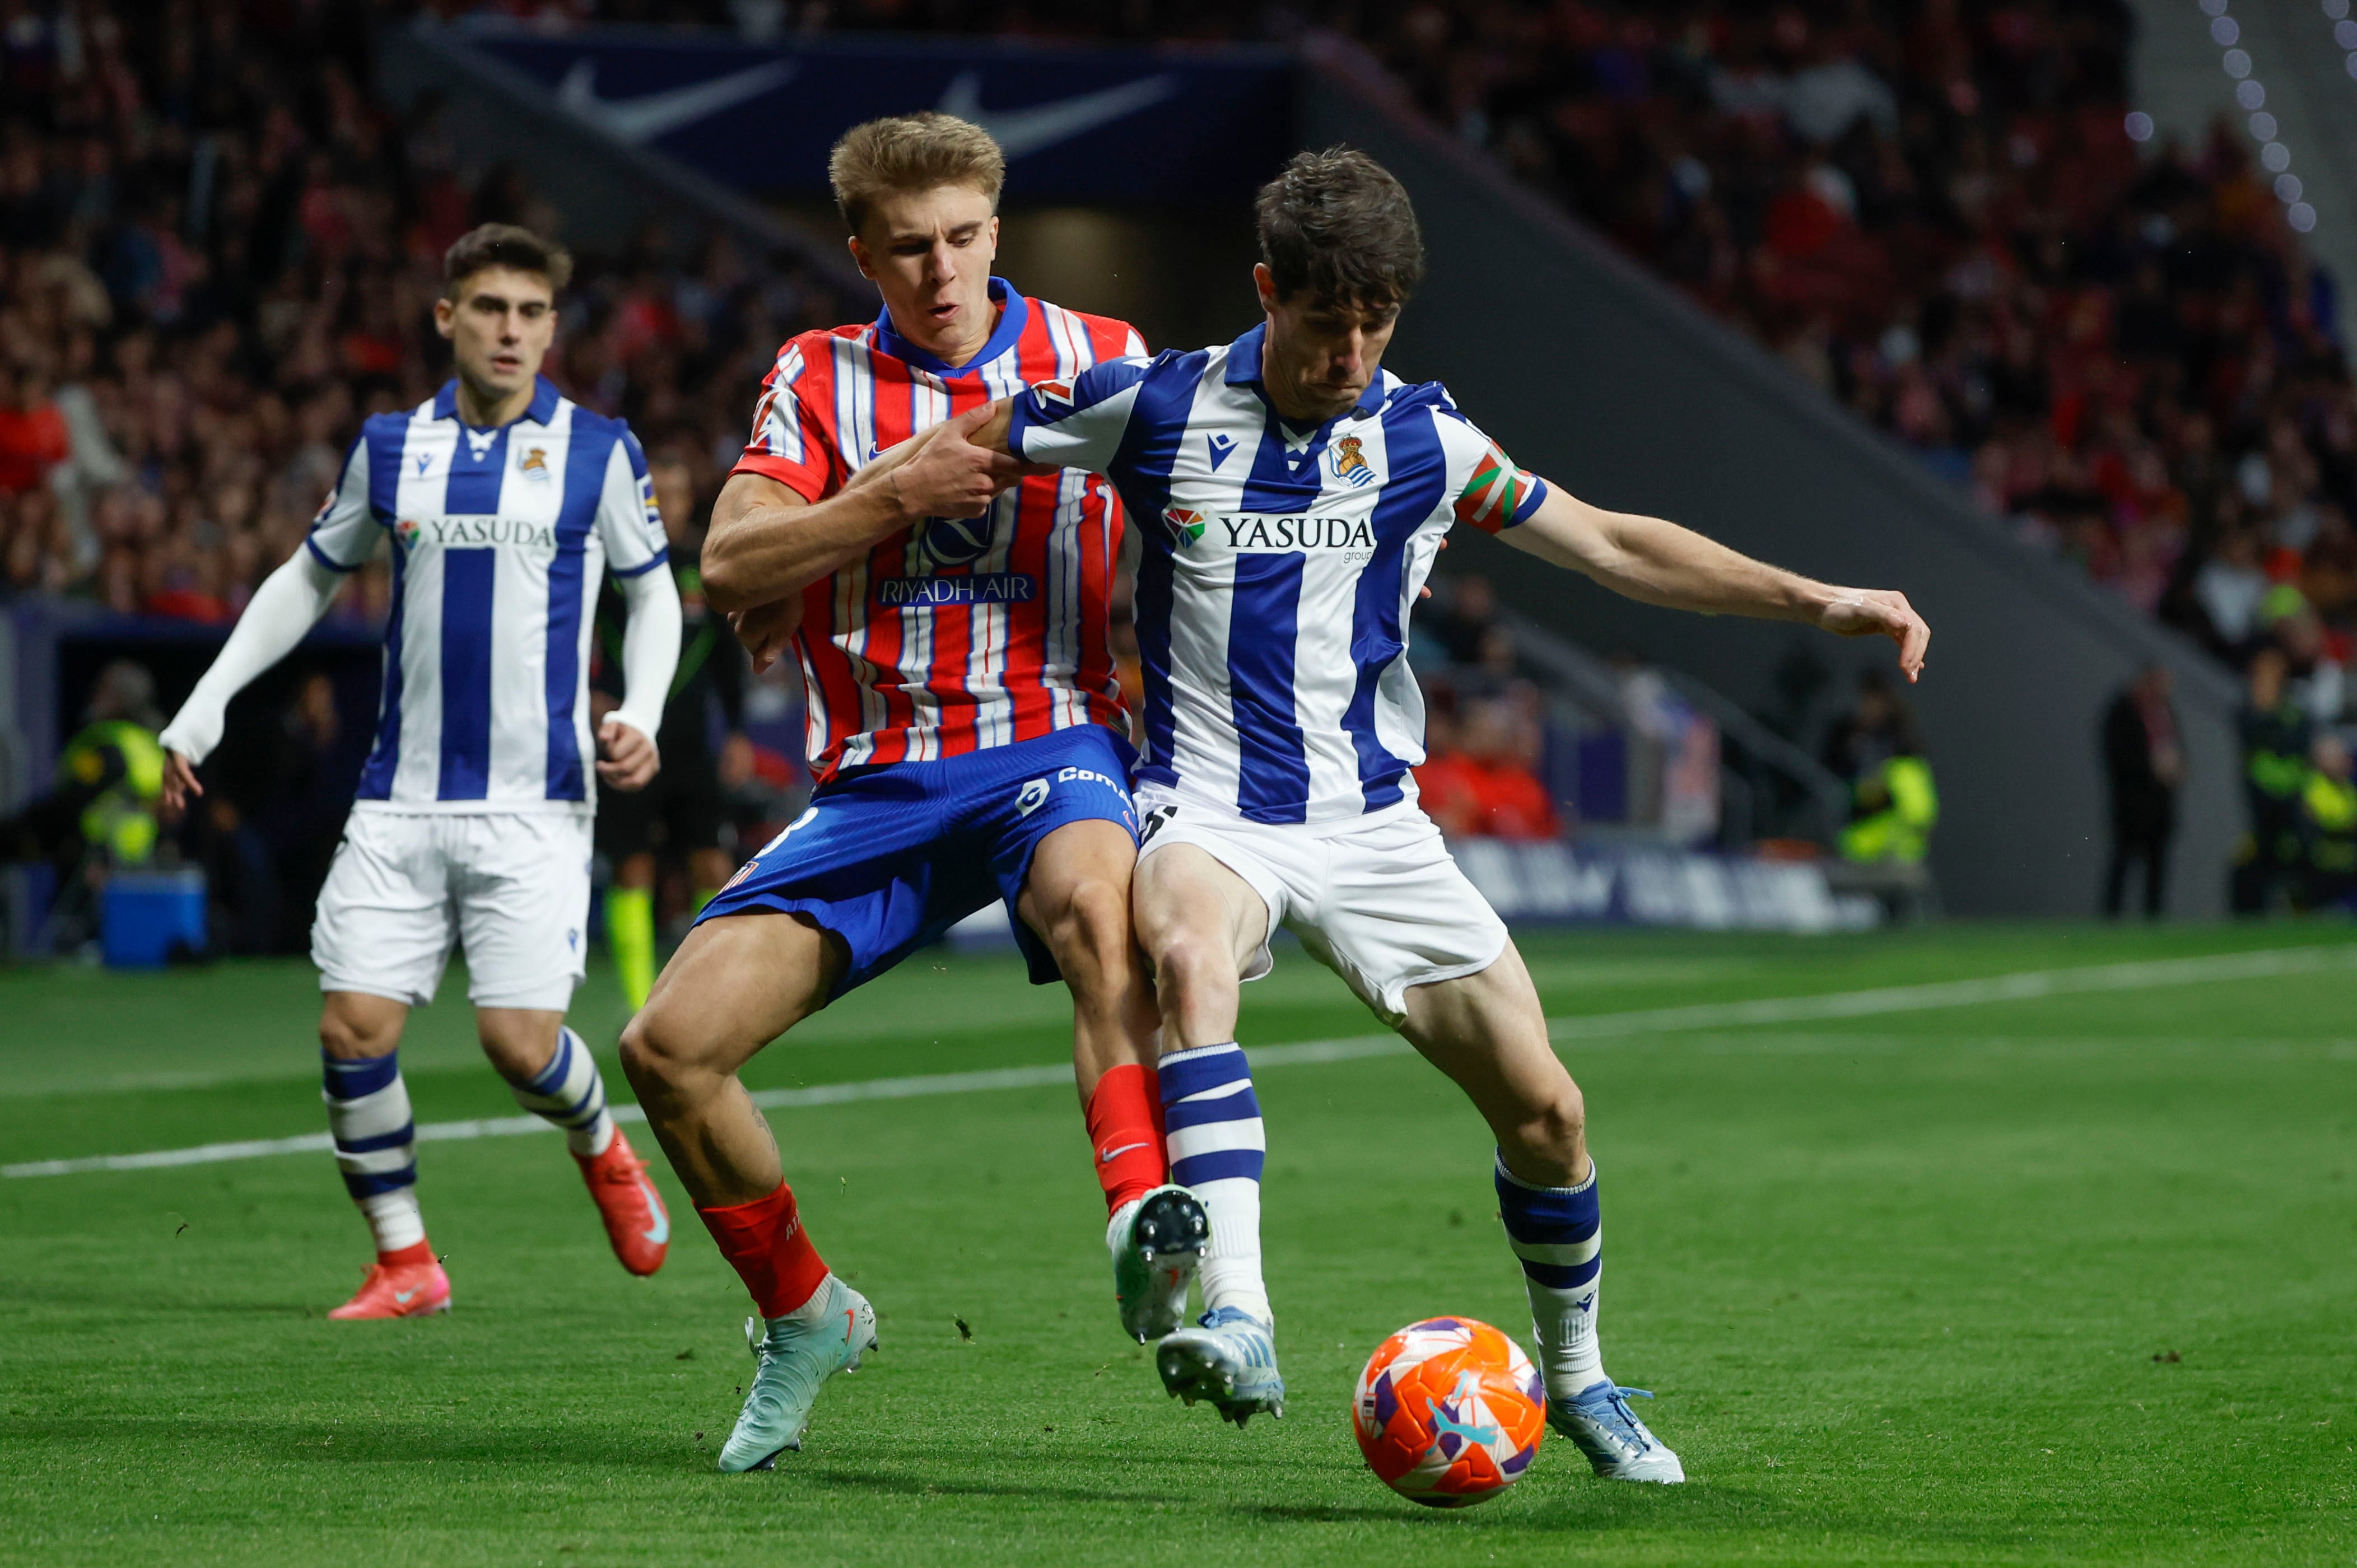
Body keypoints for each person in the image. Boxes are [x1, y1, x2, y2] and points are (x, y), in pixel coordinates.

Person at [944, 146, 1929, 1482]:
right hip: (1211, 808)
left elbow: (1616, 545)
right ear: (1265, 292)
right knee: (1183, 951)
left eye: (1375, 322)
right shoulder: (1151, 407)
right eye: (1323, 319)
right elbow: (958, 453)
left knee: (1550, 1116)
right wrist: (807, 551)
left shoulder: (1422, 437)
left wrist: (1817, 599)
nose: (1350, 350)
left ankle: (1575, 1381)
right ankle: (1238, 1311)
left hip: (1374, 825)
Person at [615, 114, 1198, 1474]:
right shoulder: (817, 378)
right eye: (909, 250)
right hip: (877, 778)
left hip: (1050, 740)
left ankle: (1140, 1227)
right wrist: (888, 497)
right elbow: (732, 565)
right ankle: (807, 1314)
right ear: (862, 253)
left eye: (964, 240)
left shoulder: (1100, 358)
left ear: (996, 229)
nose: (941, 273)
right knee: (667, 1049)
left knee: (1095, 915)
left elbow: (1214, 500)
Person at [155, 225, 684, 1319]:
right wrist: (203, 707)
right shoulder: (390, 447)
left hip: (536, 798)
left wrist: (638, 708)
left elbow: (654, 591)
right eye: (489, 308)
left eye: (531, 313)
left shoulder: (599, 448)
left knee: (519, 1045)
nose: (511, 330)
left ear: (551, 325)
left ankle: (598, 1138)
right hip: (399, 795)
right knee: (351, 1026)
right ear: (446, 316)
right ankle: (407, 1259)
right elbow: (306, 578)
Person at [592, 445, 752, 1012]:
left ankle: (707, 1001)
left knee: (710, 863)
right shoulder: (609, 568)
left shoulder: (704, 567)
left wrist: (735, 732)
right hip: (628, 739)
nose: (665, 506)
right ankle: (643, 1008)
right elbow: (579, 641)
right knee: (633, 867)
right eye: (654, 496)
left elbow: (727, 663)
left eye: (676, 494)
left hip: (689, 743)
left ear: (691, 501)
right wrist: (589, 694)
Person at [2099, 663, 2182, 918]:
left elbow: (2178, 746)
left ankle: (2153, 920)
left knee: (2157, 869)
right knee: (2123, 863)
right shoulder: (2122, 711)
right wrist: (2152, 767)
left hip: (2161, 805)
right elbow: (2118, 757)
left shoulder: (2165, 711)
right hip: (2132, 805)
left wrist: (2177, 766)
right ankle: (2110, 921)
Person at [2233, 644, 2312, 913]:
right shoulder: (2251, 705)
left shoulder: (2293, 705)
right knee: (2259, 854)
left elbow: (2301, 738)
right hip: (2260, 792)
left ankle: (2301, 910)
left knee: (2298, 850)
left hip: (2291, 791)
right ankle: (2251, 915)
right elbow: (2251, 734)